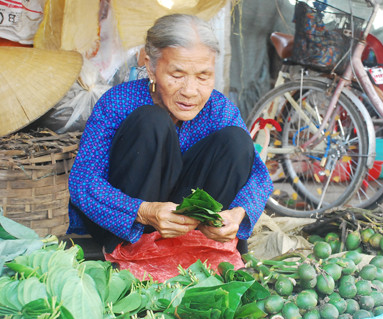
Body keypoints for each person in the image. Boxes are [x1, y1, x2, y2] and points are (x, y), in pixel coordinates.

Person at [67, 13, 273, 257]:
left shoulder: (219, 109)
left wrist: (239, 213)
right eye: (177, 75)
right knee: (152, 120)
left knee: (237, 141)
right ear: (152, 68)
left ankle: (193, 250)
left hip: (186, 228)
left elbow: (260, 177)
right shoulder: (118, 102)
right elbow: (83, 180)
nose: (190, 91)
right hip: (127, 222)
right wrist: (143, 211)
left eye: (203, 76)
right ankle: (130, 252)